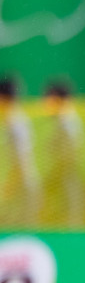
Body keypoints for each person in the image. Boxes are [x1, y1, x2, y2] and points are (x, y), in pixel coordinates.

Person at [41, 80, 85, 226]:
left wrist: (55, 176)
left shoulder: (68, 122)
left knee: (69, 221)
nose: (45, 103)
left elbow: (70, 156)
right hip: (61, 180)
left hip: (66, 180)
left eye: (49, 98)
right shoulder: (61, 121)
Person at [0, 76, 39, 224]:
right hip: (22, 184)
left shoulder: (14, 121)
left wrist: (10, 187)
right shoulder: (13, 118)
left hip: (22, 187)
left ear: (3, 97)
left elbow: (22, 159)